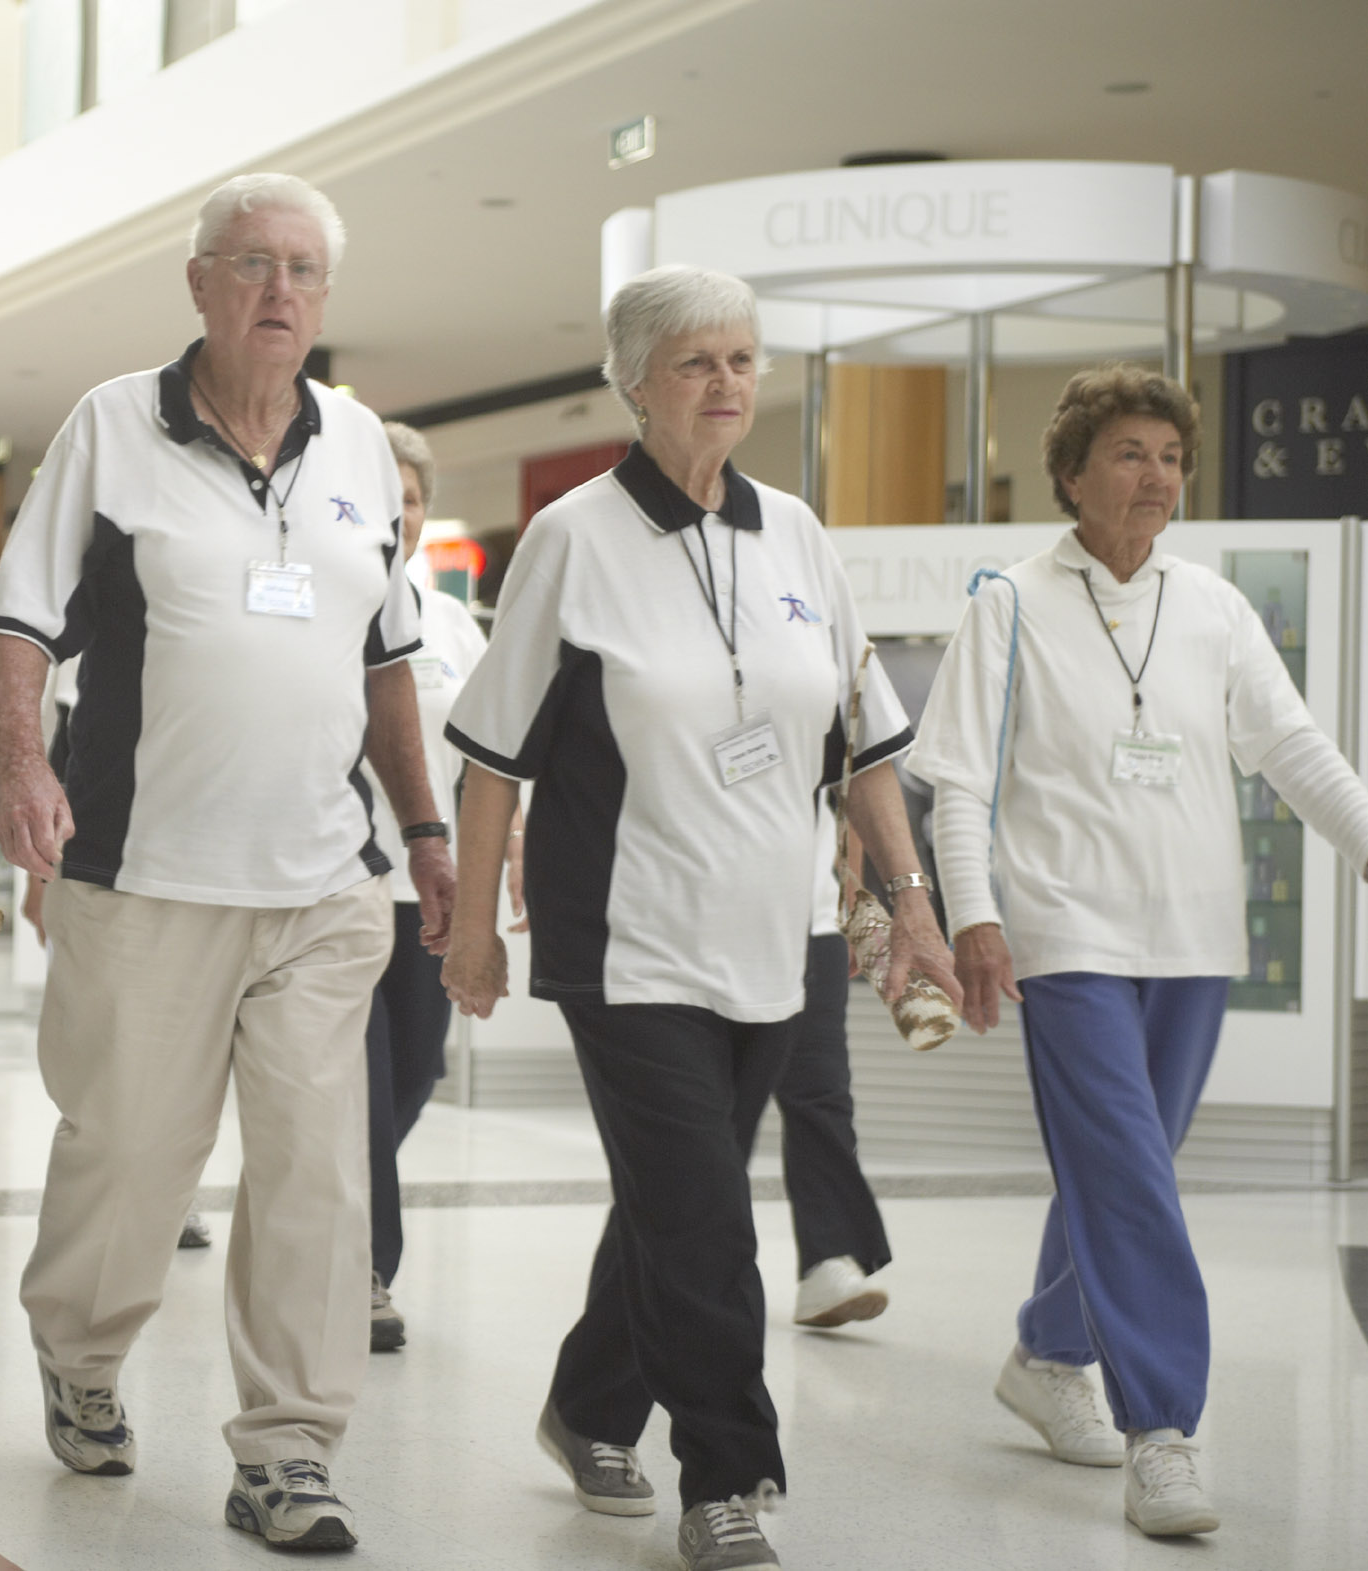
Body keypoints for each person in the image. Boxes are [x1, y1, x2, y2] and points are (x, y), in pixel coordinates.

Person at [439, 264, 959, 1571]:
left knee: (678, 1203)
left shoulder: (796, 534)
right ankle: (725, 1472)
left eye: (741, 359)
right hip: (625, 937)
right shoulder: (570, 537)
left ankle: (588, 1399)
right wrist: (469, 922)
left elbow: (864, 744)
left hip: (774, 935)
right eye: (694, 362)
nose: (726, 384)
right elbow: (494, 756)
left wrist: (910, 903)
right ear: (634, 381)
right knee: (706, 1220)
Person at [0, 173, 450, 1553]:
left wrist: (422, 831)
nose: (278, 291)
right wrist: (22, 765)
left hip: (321, 881)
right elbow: (17, 621)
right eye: (249, 264)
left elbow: (387, 660)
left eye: (302, 268)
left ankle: (289, 1447)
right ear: (196, 282)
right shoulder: (110, 428)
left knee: (315, 1171)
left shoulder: (360, 443)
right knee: (132, 1153)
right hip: (143, 871)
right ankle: (78, 1349)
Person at [909, 364, 1368, 1540]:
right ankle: (1160, 1427)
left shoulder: (1211, 606)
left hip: (1194, 930)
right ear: (1070, 470)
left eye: (1170, 454)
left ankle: (1047, 1347)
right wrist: (973, 913)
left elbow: (1296, 747)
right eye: (1129, 451)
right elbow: (957, 777)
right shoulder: (1008, 602)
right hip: (1066, 932)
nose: (1156, 474)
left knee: (1132, 1164)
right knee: (1126, 1169)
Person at [359, 420, 504, 1353]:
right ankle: (366, 1268)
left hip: (432, 885)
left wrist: (496, 868)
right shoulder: (321, 605)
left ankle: (328, 1200)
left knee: (416, 1070)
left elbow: (492, 758)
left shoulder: (452, 621)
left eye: (407, 499)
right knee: (359, 1084)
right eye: (378, 496)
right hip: (338, 879)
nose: (395, 514)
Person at [771, 799, 895, 1329]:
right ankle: (688, 1265)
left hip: (813, 916)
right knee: (710, 1105)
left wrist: (850, 893)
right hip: (704, 922)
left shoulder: (846, 707)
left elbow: (853, 777)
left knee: (822, 1091)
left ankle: (829, 1259)